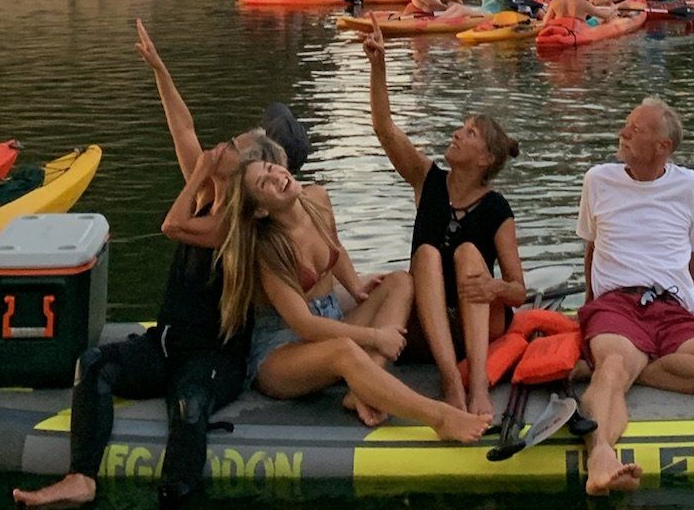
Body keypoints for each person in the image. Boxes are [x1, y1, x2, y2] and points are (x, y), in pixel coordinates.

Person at [15, 22, 307, 510]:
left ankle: (171, 507)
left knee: (190, 406)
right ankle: (81, 477)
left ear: (239, 175)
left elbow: (171, 225)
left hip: (214, 358)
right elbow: (183, 127)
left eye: (230, 148)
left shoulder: (232, 227)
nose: (218, 147)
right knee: (95, 364)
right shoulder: (205, 194)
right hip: (165, 345)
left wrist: (197, 173)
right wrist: (159, 68)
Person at [218, 156, 489, 444]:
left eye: (272, 168)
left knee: (398, 282)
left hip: (330, 320)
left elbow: (336, 247)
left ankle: (362, 390)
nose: (277, 177)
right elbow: (305, 325)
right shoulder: (267, 251)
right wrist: (375, 336)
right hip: (282, 351)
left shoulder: (317, 198)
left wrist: (356, 288)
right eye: (265, 183)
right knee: (344, 350)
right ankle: (440, 418)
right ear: (260, 210)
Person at [575, 100, 694, 495]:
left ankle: (626, 371)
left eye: (635, 129)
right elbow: (591, 249)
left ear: (663, 146)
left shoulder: (690, 185)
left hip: (671, 307)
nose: (623, 133)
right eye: (627, 124)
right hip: (617, 302)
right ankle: (601, 454)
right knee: (614, 366)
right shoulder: (598, 180)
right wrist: (588, 307)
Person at [363, 29, 526, 421]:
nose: (456, 132)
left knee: (470, 253)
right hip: (428, 330)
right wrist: (378, 66)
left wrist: (495, 286)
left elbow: (519, 291)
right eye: (462, 127)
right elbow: (386, 130)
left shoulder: (497, 209)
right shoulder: (427, 179)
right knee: (426, 254)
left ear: (485, 158)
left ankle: (478, 385)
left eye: (468, 132)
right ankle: (452, 381)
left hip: (477, 328)